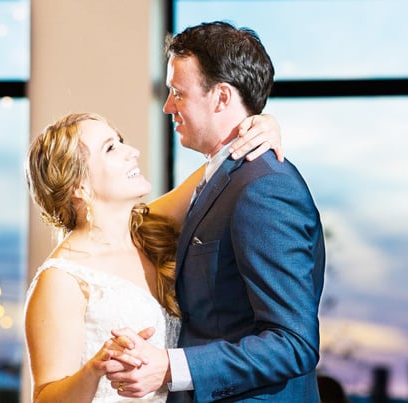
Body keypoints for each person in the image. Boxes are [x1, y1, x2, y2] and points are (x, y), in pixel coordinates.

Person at [107, 20, 326, 402]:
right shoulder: (226, 176)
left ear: (222, 97)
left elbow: (293, 343)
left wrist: (172, 367)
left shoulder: (264, 187)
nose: (167, 105)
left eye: (178, 93)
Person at [24, 112, 283, 402]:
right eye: (111, 148)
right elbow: (45, 396)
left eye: (120, 141)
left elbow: (221, 165)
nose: (132, 152)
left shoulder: (149, 229)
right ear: (78, 186)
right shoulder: (61, 279)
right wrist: (94, 370)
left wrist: (261, 126)